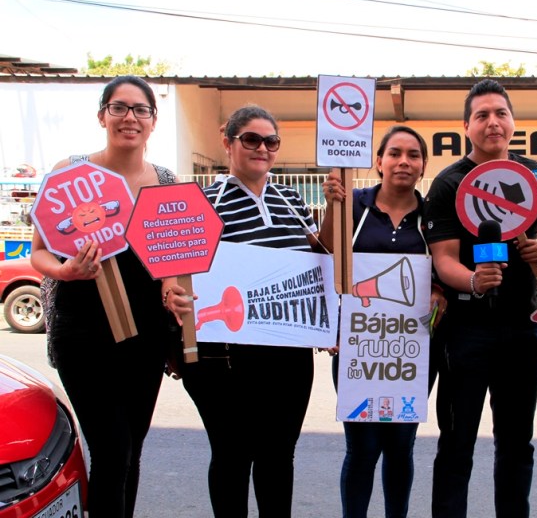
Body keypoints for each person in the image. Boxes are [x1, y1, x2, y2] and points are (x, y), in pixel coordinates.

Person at [165, 105, 325, 518]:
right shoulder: (201, 202)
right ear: (227, 141)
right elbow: (178, 274)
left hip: (289, 355)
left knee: (278, 456)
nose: (262, 148)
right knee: (233, 455)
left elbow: (315, 266)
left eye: (271, 141)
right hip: (225, 356)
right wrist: (172, 295)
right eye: (251, 139)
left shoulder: (291, 200)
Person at [31, 75, 176, 518]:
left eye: (140, 110)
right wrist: (66, 271)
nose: (130, 117)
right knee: (113, 451)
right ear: (102, 116)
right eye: (119, 107)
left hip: (146, 340)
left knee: (130, 453)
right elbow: (39, 253)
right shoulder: (67, 173)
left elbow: (175, 265)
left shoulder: (166, 183)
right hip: (82, 337)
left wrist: (175, 293)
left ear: (153, 122)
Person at [423, 78, 537, 518]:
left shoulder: (533, 174)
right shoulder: (448, 184)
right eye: (482, 115)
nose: (492, 122)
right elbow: (442, 258)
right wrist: (472, 281)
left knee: (517, 444)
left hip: (523, 327)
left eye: (500, 113)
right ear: (467, 126)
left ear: (513, 122)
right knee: (457, 442)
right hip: (464, 333)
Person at [320, 125, 447, 518]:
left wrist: (439, 296)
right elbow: (325, 255)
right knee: (361, 449)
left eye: (413, 155)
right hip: (359, 349)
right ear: (378, 162)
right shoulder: (353, 204)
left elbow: (442, 270)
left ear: (423, 165)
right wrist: (332, 207)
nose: (403, 162)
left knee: (400, 447)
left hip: (411, 354)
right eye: (394, 153)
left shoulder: (432, 216)